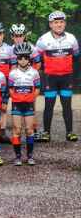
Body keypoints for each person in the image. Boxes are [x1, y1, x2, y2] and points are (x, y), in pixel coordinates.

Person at [35, 11, 79, 142]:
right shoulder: (43, 39)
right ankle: (46, 133)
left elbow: (76, 56)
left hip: (66, 77)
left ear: (65, 23)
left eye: (61, 22)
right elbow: (36, 57)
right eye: (56, 22)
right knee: (49, 105)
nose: (59, 25)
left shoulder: (72, 38)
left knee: (67, 105)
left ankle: (70, 132)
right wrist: (45, 69)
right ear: (50, 24)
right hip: (50, 78)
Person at [8, 43, 40, 166]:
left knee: (29, 130)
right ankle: (17, 156)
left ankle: (30, 156)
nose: (22, 60)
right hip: (17, 104)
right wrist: (16, 98)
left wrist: (31, 98)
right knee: (17, 129)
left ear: (29, 58)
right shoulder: (12, 73)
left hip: (29, 105)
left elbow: (37, 89)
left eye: (25, 57)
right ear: (17, 58)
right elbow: (10, 89)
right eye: (20, 57)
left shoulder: (34, 73)